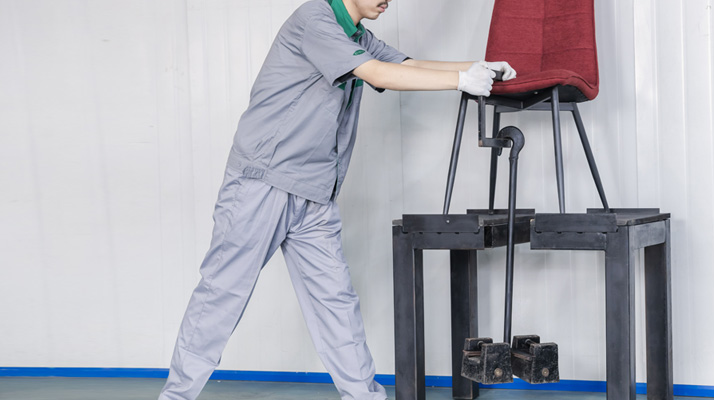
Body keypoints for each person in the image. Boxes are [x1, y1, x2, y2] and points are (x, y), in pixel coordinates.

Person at [158, 0, 515, 398]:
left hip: (314, 192)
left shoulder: (357, 36)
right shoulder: (315, 20)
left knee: (336, 304)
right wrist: (460, 80)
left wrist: (481, 66)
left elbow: (407, 64)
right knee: (222, 295)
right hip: (263, 182)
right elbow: (378, 73)